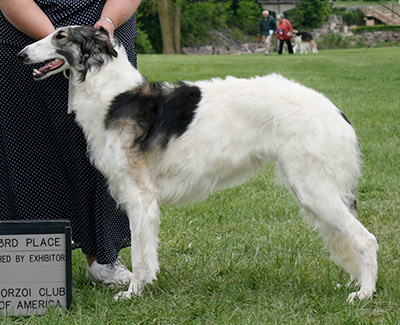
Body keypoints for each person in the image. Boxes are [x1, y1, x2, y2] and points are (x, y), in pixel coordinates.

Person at [0, 0, 141, 287]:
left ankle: (103, 259)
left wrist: (106, 24)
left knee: (108, 156)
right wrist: (58, 43)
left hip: (103, 37)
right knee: (30, 152)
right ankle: (33, 260)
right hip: (25, 29)